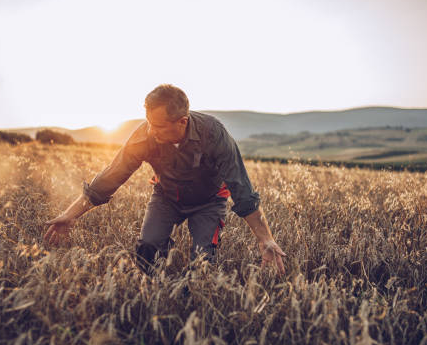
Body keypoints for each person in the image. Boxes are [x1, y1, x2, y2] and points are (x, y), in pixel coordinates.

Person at [43, 84, 286, 276]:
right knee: (147, 249)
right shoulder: (145, 135)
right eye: (148, 123)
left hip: (209, 202)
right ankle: (156, 294)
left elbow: (242, 189)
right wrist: (70, 214)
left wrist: (266, 240)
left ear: (182, 122)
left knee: (203, 264)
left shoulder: (214, 135)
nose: (151, 131)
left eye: (157, 126)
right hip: (167, 197)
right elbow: (110, 177)